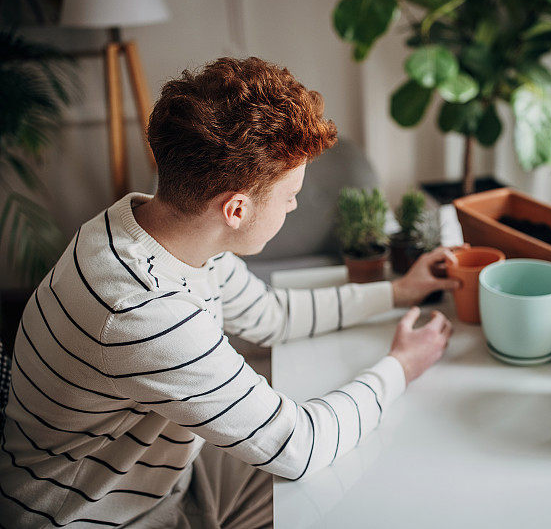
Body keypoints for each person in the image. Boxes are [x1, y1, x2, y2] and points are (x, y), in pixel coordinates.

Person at [0, 57, 458, 528]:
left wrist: (399, 292)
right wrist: (401, 365)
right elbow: (298, 446)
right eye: (289, 195)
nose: (295, 205)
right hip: (100, 518)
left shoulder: (157, 226)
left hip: (166, 482)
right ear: (236, 209)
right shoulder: (142, 307)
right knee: (355, 493)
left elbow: (271, 315)